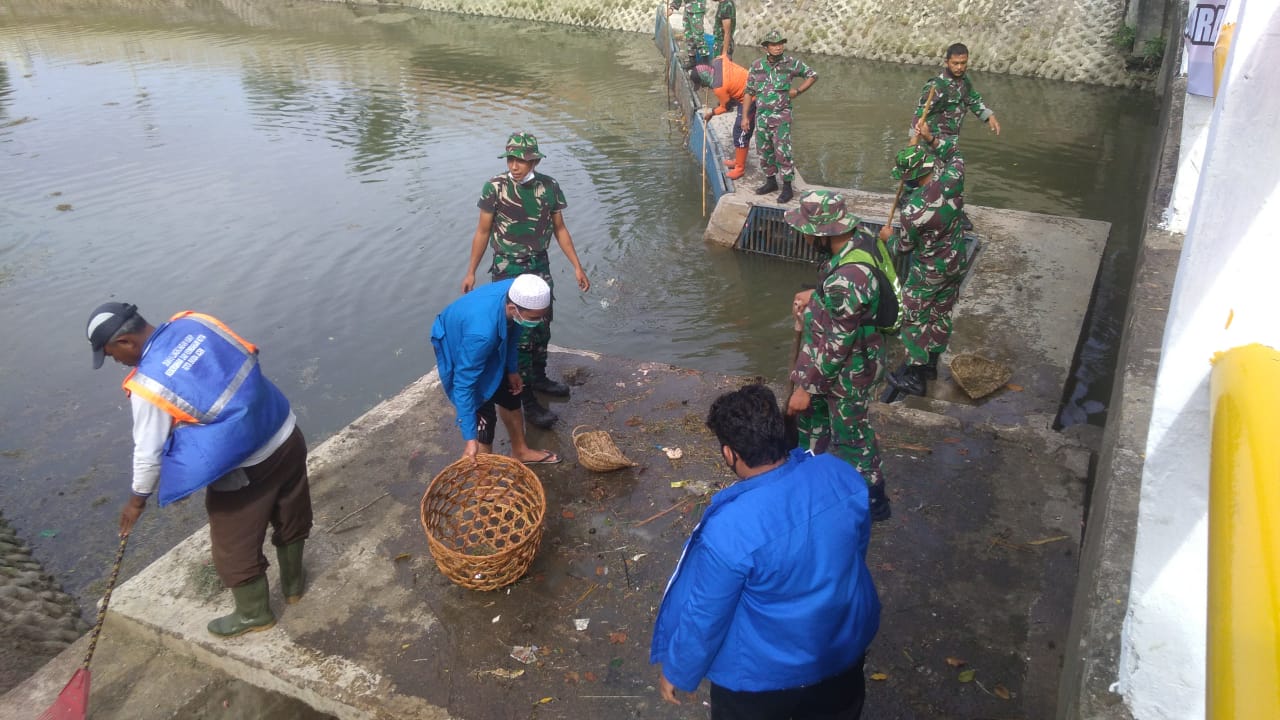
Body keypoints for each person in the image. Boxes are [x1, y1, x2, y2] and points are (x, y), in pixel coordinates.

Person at [650, 383, 880, 719]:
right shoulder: (839, 473)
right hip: (841, 653)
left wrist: (679, 668)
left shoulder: (730, 528)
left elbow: (707, 613)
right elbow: (856, 552)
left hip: (762, 680)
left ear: (730, 454)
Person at [86, 302, 312, 639]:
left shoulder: (149, 384)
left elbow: (149, 452)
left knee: (233, 544)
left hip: (249, 467)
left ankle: (254, 613)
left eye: (112, 356)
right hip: (285, 431)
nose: (118, 363)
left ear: (125, 342)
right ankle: (294, 585)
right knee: (291, 509)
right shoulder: (194, 323)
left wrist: (136, 501)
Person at [461, 132, 590, 430]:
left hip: (539, 267)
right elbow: (482, 231)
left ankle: (540, 377)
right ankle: (526, 399)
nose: (515, 165)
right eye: (511, 159)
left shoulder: (548, 187)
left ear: (534, 160)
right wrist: (471, 271)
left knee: (541, 327)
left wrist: (577, 267)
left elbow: (560, 229)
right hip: (507, 270)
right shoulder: (495, 187)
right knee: (518, 337)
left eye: (522, 159)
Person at [785, 190, 893, 521]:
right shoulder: (859, 241)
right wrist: (816, 295)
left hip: (851, 365)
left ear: (822, 232)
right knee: (812, 421)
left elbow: (837, 344)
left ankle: (872, 499)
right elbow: (846, 304)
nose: (803, 236)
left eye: (806, 231)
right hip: (842, 353)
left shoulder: (848, 278)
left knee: (851, 433)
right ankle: (810, 477)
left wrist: (806, 388)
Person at [432, 274, 562, 465]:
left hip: (488, 329)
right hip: (461, 338)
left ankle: (521, 451)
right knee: (482, 407)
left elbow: (514, 330)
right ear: (512, 308)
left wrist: (511, 369)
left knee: (510, 393)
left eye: (542, 315)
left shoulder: (519, 290)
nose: (539, 321)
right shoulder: (481, 336)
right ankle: (483, 472)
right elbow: (464, 385)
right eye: (535, 318)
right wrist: (469, 439)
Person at [881, 118, 969, 399]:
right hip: (955, 263)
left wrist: (887, 238)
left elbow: (903, 247)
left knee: (914, 318)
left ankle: (916, 377)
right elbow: (954, 154)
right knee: (941, 313)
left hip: (929, 271)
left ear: (912, 177)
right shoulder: (953, 179)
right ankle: (931, 365)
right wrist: (931, 138)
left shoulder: (914, 210)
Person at [743, 31, 817, 204]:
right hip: (762, 116)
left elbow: (813, 75)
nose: (778, 47)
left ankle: (787, 187)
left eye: (780, 44)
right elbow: (748, 91)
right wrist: (745, 117)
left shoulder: (790, 64)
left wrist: (797, 91)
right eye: (774, 44)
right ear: (766, 47)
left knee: (782, 151)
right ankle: (770, 182)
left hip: (781, 115)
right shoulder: (757, 66)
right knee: (763, 149)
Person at [913, 42, 1001, 140]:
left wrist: (989, 116)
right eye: (955, 63)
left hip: (951, 140)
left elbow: (973, 101)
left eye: (963, 63)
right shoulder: (936, 86)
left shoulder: (964, 82)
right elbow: (919, 116)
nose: (959, 67)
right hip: (934, 142)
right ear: (947, 62)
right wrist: (912, 145)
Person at [691, 55, 754, 180]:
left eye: (702, 84)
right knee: (739, 132)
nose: (703, 87)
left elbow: (726, 108)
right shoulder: (718, 62)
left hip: (751, 98)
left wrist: (711, 113)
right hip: (748, 87)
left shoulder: (719, 87)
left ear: (704, 78)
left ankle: (740, 168)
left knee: (740, 132)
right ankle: (738, 161)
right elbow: (726, 55)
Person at [667, 0, 708, 69]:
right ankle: (692, 61)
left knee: (698, 36)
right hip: (688, 7)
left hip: (697, 7)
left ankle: (706, 63)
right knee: (689, 35)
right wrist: (672, 7)